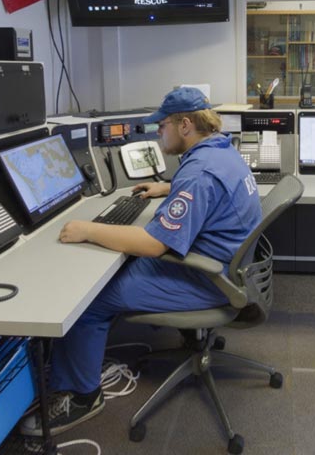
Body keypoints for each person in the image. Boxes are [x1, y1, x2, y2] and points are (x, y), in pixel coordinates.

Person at [20, 87, 262, 436]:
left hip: (207, 280)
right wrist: (168, 188)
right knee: (114, 270)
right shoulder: (220, 150)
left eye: (161, 125)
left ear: (185, 125)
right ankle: (75, 364)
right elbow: (205, 189)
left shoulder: (199, 174)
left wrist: (88, 230)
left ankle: (82, 396)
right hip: (227, 266)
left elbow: (151, 244)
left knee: (86, 300)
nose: (156, 133)